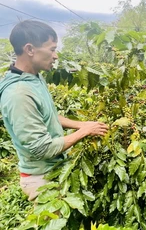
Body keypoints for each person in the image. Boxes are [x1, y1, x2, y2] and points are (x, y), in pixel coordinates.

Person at [0, 20, 109, 201]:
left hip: (53, 170)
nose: (56, 56)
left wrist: (82, 125)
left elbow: (49, 115)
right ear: (30, 49)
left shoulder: (34, 78)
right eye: (52, 49)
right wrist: (83, 132)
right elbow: (42, 149)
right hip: (42, 179)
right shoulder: (19, 94)